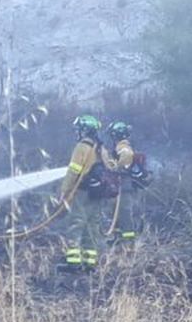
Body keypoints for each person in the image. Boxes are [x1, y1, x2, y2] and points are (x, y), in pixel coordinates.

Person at [57, 114, 117, 271]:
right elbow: (110, 167)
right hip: (97, 193)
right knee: (92, 226)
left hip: (83, 192)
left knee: (75, 225)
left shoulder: (82, 147)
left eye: (79, 129)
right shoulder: (101, 148)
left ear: (84, 130)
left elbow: (73, 171)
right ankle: (90, 263)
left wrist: (64, 190)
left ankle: (73, 263)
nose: (77, 132)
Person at [107, 120, 150, 245]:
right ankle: (119, 237)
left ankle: (128, 239)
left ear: (115, 135)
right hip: (124, 184)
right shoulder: (124, 145)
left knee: (124, 212)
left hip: (125, 184)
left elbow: (126, 157)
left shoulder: (122, 146)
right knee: (118, 210)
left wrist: (115, 167)